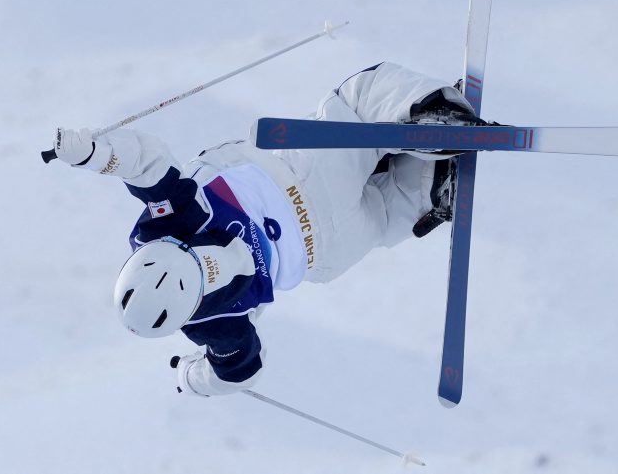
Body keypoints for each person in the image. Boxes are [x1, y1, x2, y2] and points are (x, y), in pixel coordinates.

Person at [53, 62, 483, 397]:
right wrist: (95, 153)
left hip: (326, 254)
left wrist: (192, 377)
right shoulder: (174, 219)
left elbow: (238, 372)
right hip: (300, 178)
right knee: (358, 104)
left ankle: (430, 187)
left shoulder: (212, 324)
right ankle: (428, 115)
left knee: (386, 212)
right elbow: (146, 163)